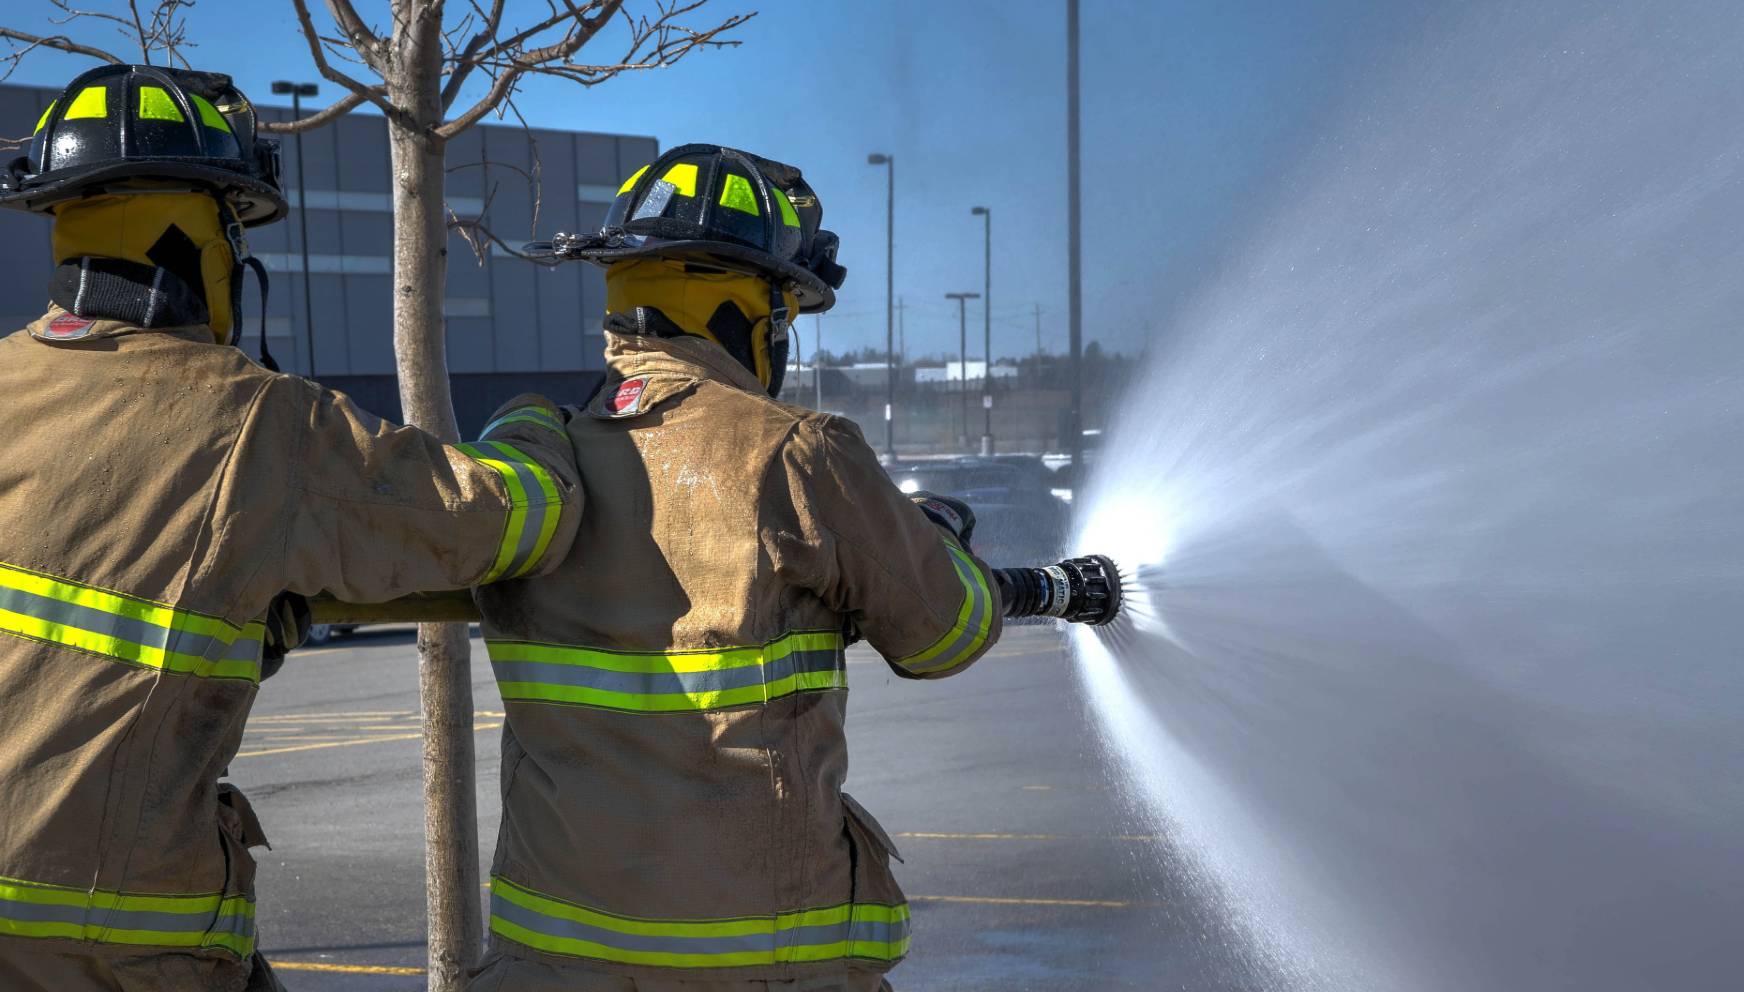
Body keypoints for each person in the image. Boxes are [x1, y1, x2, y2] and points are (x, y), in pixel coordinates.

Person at [0, 64, 582, 991]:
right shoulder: (260, 423)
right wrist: (536, 424)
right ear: (213, 246)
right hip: (116, 942)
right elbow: (503, 521)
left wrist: (223, 624)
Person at [468, 144, 1003, 992]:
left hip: (549, 963)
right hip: (761, 964)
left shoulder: (538, 459)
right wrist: (935, 543)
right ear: (753, 317)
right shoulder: (795, 454)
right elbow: (949, 633)